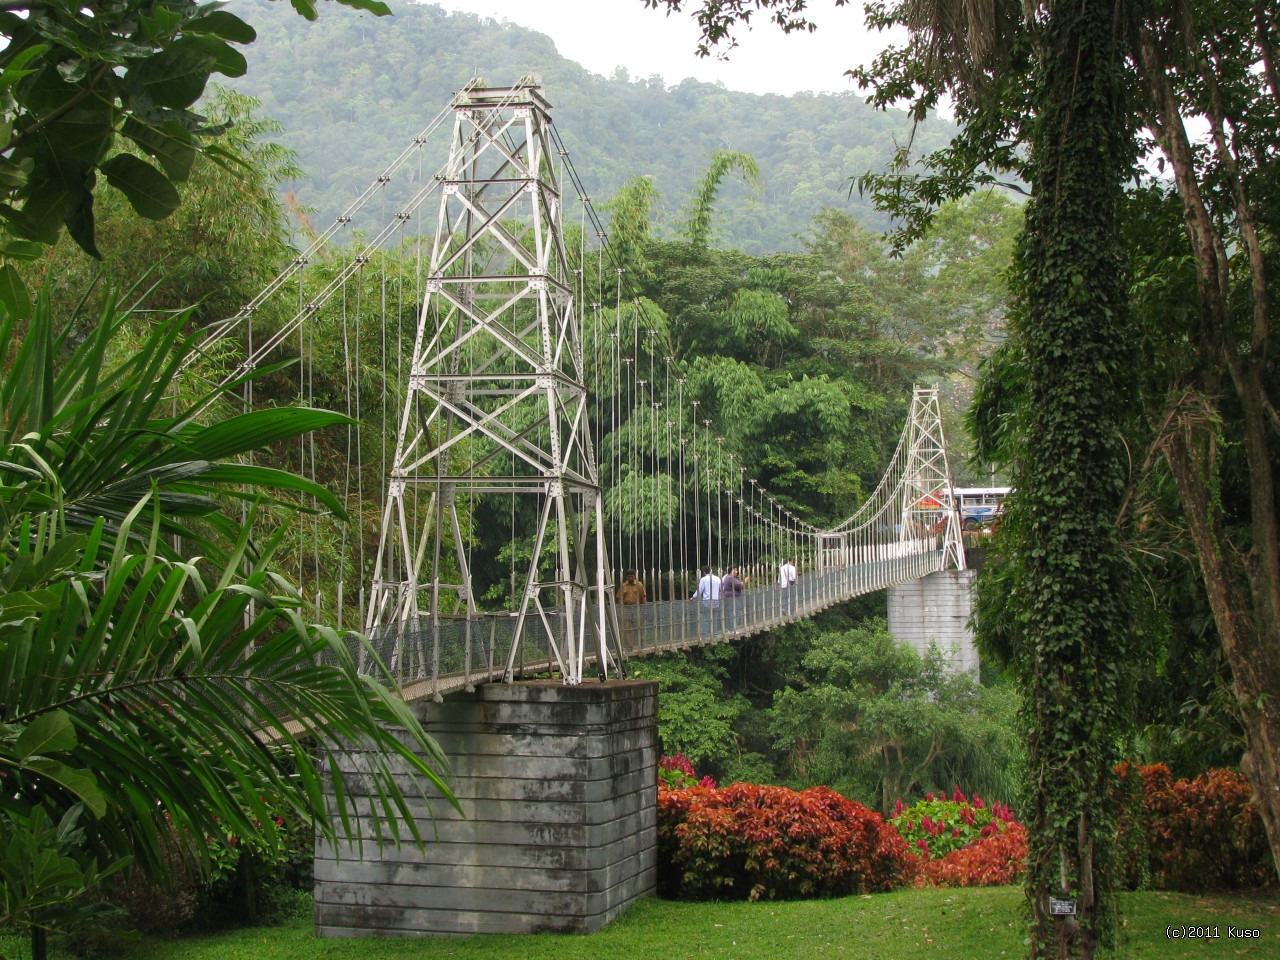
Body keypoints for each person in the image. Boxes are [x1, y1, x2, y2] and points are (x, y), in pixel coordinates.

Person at [616, 569, 647, 650]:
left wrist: (644, 609)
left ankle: (641, 645)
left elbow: (643, 597)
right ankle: (630, 647)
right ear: (627, 577)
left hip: (637, 608)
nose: (630, 578)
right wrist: (620, 608)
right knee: (627, 628)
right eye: (629, 576)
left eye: (632, 576)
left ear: (634, 576)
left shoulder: (639, 585)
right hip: (627, 609)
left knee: (639, 627)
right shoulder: (623, 586)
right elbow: (619, 598)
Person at [689, 565, 721, 638]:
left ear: (703, 572)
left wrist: (693, 597)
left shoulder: (704, 579)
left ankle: (705, 636)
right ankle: (715, 635)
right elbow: (721, 589)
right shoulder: (717, 578)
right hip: (716, 602)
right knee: (715, 619)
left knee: (706, 619)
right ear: (710, 570)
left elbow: (699, 590)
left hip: (707, 602)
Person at [721, 565, 749, 631]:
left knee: (732, 613)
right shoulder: (730, 578)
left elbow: (739, 586)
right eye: (736, 570)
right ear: (732, 570)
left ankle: (731, 629)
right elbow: (740, 585)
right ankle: (732, 630)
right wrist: (745, 581)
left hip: (731, 598)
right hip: (732, 599)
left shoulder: (729, 577)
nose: (737, 571)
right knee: (735, 613)